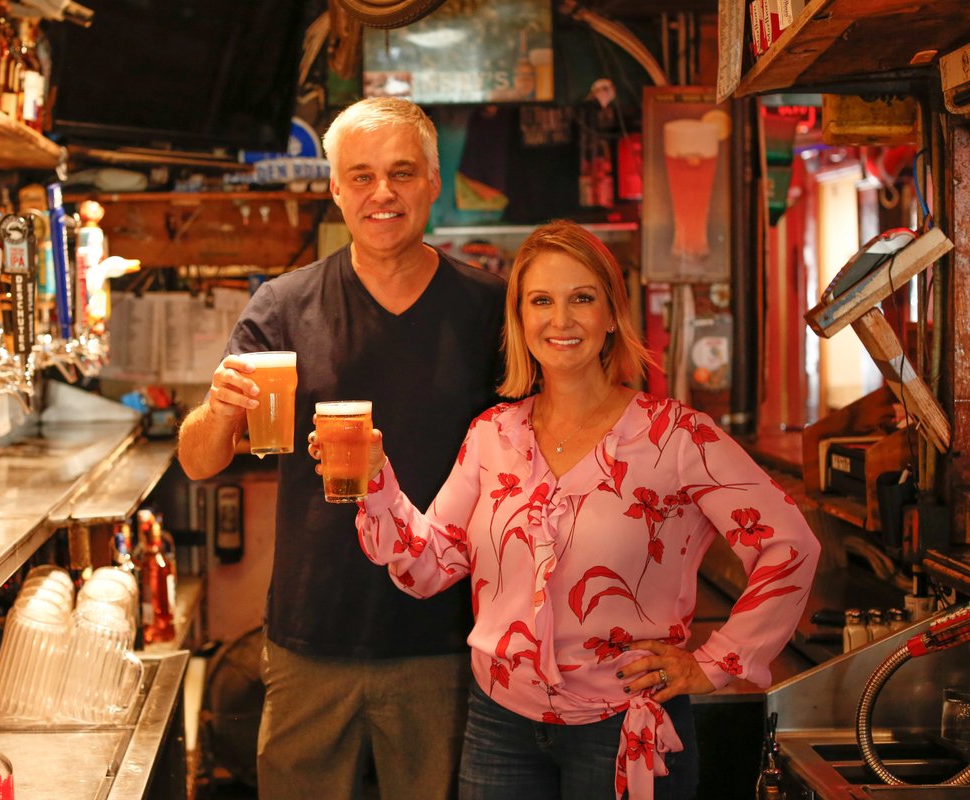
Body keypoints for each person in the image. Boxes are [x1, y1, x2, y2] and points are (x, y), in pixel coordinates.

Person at [321, 220, 821, 800]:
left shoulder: (677, 438)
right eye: (542, 301)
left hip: (622, 726)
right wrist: (374, 478)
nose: (560, 320)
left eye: (581, 298)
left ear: (611, 315)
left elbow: (790, 545)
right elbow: (428, 567)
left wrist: (712, 664)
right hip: (499, 722)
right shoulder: (493, 434)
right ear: (521, 319)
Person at [177, 97, 507, 799]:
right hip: (310, 634)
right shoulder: (283, 306)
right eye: (360, 176)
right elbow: (200, 460)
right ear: (334, 189)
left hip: (444, 637)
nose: (381, 192)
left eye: (401, 173)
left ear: (432, 182)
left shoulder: (488, 310)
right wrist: (218, 408)